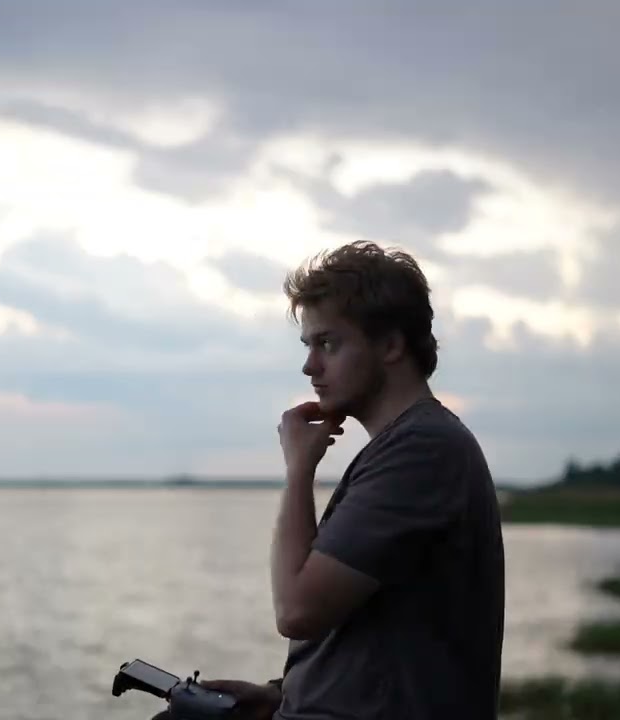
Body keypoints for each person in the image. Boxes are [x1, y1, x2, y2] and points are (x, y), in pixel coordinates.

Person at [193, 240, 506, 719]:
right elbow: (386, 633)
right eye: (308, 345)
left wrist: (299, 470)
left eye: (328, 343)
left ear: (391, 345)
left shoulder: (422, 452)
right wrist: (284, 693)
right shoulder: (406, 448)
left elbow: (297, 611)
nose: (309, 366)